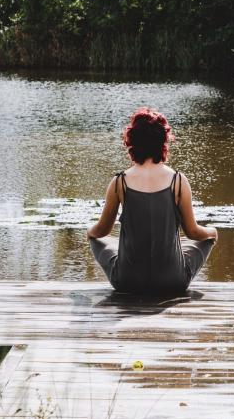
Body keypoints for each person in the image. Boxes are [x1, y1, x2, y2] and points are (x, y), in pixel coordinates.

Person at [88, 108, 218, 294]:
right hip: (172, 282)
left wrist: (89, 232)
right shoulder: (178, 181)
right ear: (163, 142)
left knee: (100, 240)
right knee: (205, 240)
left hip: (127, 281)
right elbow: (193, 232)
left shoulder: (119, 182)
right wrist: (213, 232)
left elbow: (102, 230)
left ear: (131, 142)